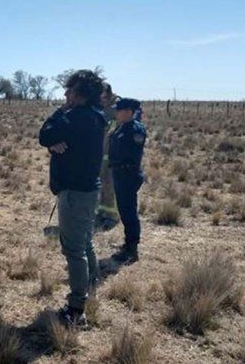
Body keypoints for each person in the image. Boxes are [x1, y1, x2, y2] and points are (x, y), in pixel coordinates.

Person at [38, 69, 106, 327]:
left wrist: (58, 114)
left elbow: (44, 134)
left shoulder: (76, 117)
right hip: (87, 190)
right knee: (85, 243)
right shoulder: (96, 116)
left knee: (74, 249)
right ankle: (90, 288)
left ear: (82, 94)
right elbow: (53, 140)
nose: (66, 94)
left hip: (75, 193)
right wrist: (54, 143)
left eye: (71, 90)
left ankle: (76, 310)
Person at [108, 98, 147, 264]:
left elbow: (132, 155)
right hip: (119, 174)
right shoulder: (122, 127)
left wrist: (123, 167)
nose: (116, 113)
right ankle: (128, 243)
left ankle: (132, 248)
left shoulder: (135, 129)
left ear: (129, 112)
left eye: (119, 110)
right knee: (124, 210)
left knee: (129, 211)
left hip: (128, 176)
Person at [97, 82, 120, 231]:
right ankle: (101, 212)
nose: (101, 100)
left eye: (104, 97)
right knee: (101, 184)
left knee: (111, 185)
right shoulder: (99, 107)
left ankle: (112, 216)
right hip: (100, 154)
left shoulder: (117, 108)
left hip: (113, 155)